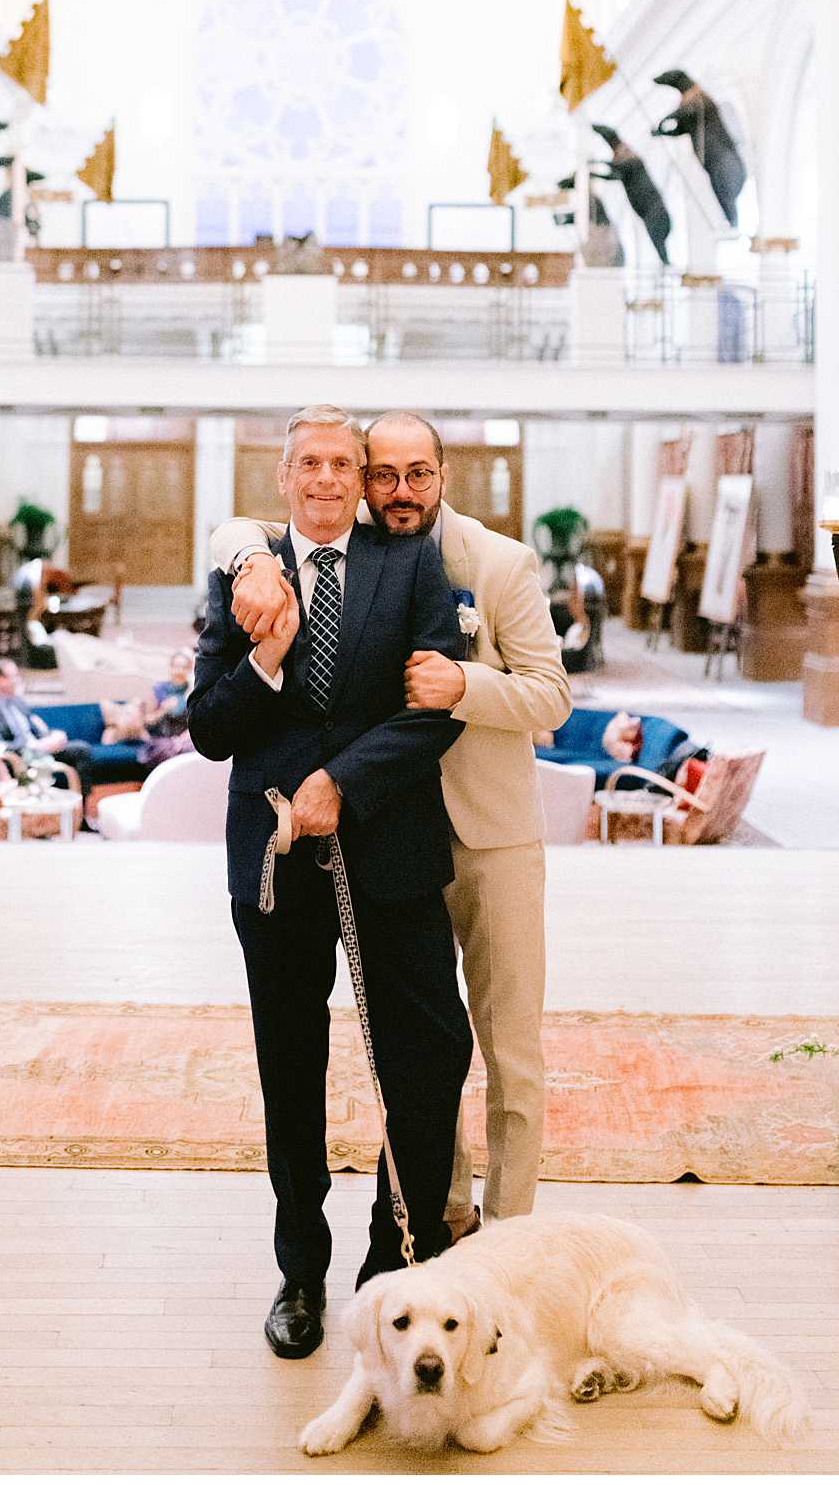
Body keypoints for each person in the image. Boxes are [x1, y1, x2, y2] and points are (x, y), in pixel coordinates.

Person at [212, 409, 572, 1244]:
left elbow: (552, 698)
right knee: (420, 1041)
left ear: (445, 476)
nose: (397, 490)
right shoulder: (350, 539)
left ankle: (510, 1236)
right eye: (384, 473)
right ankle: (433, 1213)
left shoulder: (501, 563)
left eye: (418, 473)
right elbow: (244, 527)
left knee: (504, 1046)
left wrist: (464, 687)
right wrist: (253, 559)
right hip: (389, 833)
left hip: (484, 834)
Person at [189, 404, 473, 1361]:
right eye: (306, 462)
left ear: (361, 478)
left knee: (431, 1048)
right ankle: (300, 1270)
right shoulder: (244, 573)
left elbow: (436, 708)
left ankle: (396, 1256)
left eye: (340, 463)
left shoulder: (411, 565)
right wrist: (264, 656)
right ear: (282, 476)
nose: (323, 478)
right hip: (273, 865)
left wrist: (340, 783)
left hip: (386, 846)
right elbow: (208, 729)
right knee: (290, 1065)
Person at [0, 657, 94, 792]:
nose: (18, 680)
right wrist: (35, 747)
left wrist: (52, 736)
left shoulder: (17, 702)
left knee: (81, 749)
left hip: (41, 748)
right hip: (19, 757)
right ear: (0, 680)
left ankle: (80, 808)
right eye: (14, 676)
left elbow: (36, 728)